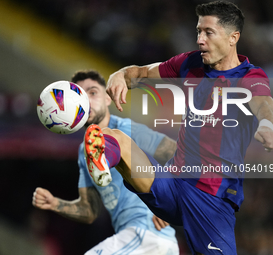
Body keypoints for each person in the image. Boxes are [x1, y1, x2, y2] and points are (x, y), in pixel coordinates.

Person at [82, 1, 273, 255]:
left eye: (208, 33)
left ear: (233, 38)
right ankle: (101, 165)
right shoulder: (189, 64)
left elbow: (264, 104)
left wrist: (265, 125)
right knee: (114, 137)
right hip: (172, 183)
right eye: (198, 31)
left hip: (211, 200)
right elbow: (139, 73)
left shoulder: (250, 77)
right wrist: (119, 75)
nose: (199, 40)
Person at [32, 70, 179, 255]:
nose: (86, 101)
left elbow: (177, 153)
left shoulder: (127, 129)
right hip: (136, 240)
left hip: (147, 235)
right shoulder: (84, 151)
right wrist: (56, 204)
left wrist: (167, 203)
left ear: (108, 99)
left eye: (92, 93)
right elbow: (89, 210)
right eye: (81, 95)